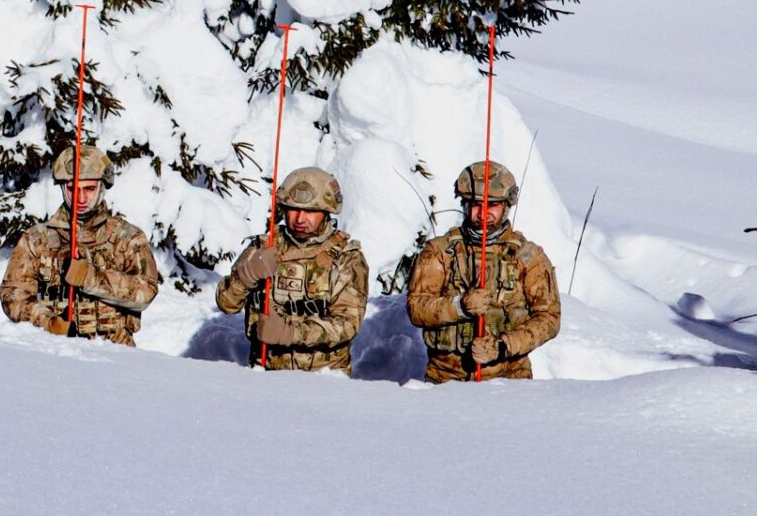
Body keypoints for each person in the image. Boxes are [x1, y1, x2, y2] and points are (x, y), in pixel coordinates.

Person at [405, 160, 561, 382]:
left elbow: (549, 318)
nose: (483, 213)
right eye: (476, 204)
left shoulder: (529, 257)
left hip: (509, 378)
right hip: (445, 377)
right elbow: (416, 307)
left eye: (492, 205)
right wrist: (459, 306)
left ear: (506, 206)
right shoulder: (440, 251)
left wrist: (503, 346)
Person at [0, 145, 160, 345]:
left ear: (102, 187)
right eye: (73, 189)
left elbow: (146, 292)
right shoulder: (37, 239)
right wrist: (47, 323)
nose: (81, 198)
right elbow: (12, 294)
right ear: (62, 188)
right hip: (54, 347)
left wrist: (91, 278)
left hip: (114, 350)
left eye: (89, 189)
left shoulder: (127, 237)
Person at [216, 167, 368, 373]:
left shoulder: (346, 258)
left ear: (326, 212)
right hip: (266, 370)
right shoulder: (265, 247)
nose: (300, 219)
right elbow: (226, 304)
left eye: (311, 211)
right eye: (293, 209)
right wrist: (246, 276)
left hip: (324, 376)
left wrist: (291, 333)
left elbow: (347, 324)